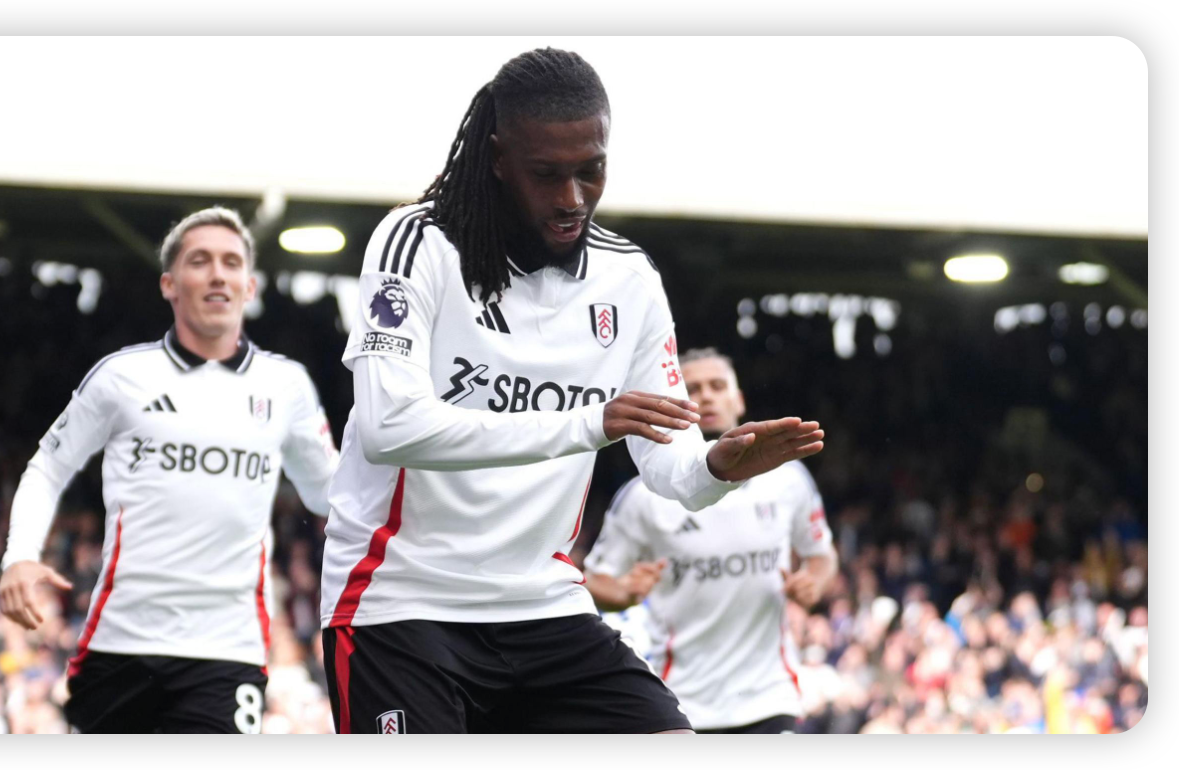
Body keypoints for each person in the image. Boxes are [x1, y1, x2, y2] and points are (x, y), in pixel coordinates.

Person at [320, 48, 824, 734]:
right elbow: (391, 428)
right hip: (401, 602)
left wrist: (715, 467)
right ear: (498, 158)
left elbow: (671, 465)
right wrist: (591, 422)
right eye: (547, 175)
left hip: (544, 607)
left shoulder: (630, 279)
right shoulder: (417, 242)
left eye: (592, 171)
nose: (572, 198)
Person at [0, 207, 339, 733]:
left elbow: (329, 495)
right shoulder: (121, 377)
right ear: (169, 284)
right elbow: (47, 466)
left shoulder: (286, 387)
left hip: (227, 651)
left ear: (249, 286)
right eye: (199, 261)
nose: (217, 274)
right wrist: (19, 556)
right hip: (120, 645)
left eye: (231, 263)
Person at [586, 348, 838, 734]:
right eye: (693, 388)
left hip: (770, 698)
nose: (706, 396)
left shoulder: (789, 480)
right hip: (679, 704)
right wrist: (620, 593)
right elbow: (594, 580)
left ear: (738, 400)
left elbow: (821, 557)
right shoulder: (644, 495)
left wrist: (814, 583)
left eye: (718, 386)